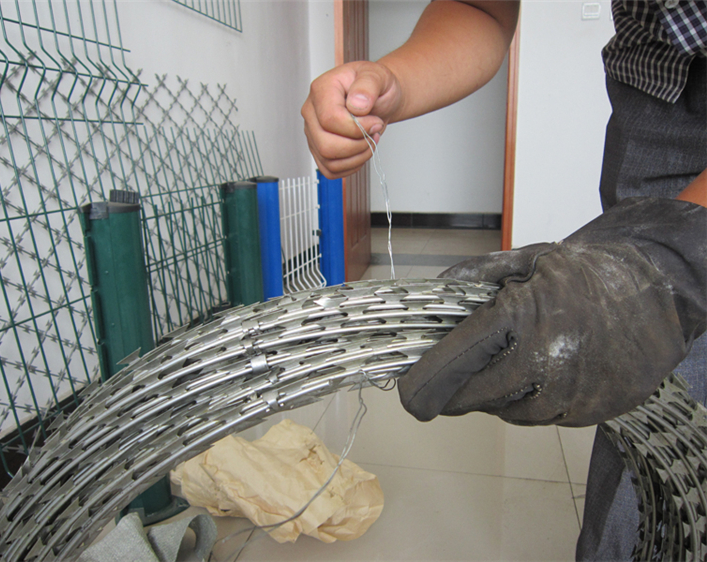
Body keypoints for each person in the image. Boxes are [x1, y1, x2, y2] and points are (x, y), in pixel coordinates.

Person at [301, 1, 706, 559]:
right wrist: (394, 79)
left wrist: (668, 264)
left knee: (668, 353)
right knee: (642, 423)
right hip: (655, 95)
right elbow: (480, 9)